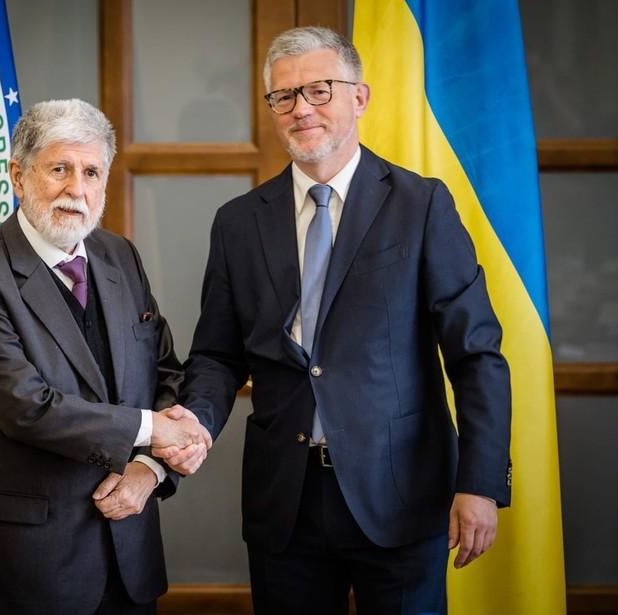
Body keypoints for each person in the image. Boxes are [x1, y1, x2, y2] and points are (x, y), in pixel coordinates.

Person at [155, 26, 512, 614]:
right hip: (285, 503)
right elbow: (218, 355)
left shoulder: (422, 205)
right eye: (284, 96)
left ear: (360, 97)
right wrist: (194, 423)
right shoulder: (239, 222)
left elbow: (476, 353)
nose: (301, 109)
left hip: (400, 494)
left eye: (319, 90)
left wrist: (478, 482)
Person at [0, 99, 211, 615]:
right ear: (18, 176)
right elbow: (26, 408)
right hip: (29, 566)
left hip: (129, 553)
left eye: (92, 172)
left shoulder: (120, 256)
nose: (77, 189)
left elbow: (166, 373)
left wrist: (149, 470)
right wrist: (156, 430)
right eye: (60, 169)